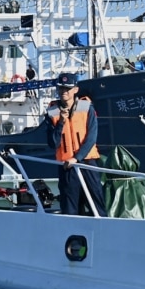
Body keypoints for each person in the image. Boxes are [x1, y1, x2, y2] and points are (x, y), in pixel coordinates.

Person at [45, 73, 107, 217]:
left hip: (87, 164)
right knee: (70, 209)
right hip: (66, 168)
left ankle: (101, 234)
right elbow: (53, 143)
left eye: (67, 88)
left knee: (96, 206)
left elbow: (91, 137)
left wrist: (77, 158)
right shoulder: (52, 112)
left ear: (75, 90)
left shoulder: (87, 107)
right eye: (61, 88)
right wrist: (61, 122)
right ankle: (72, 236)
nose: (64, 92)